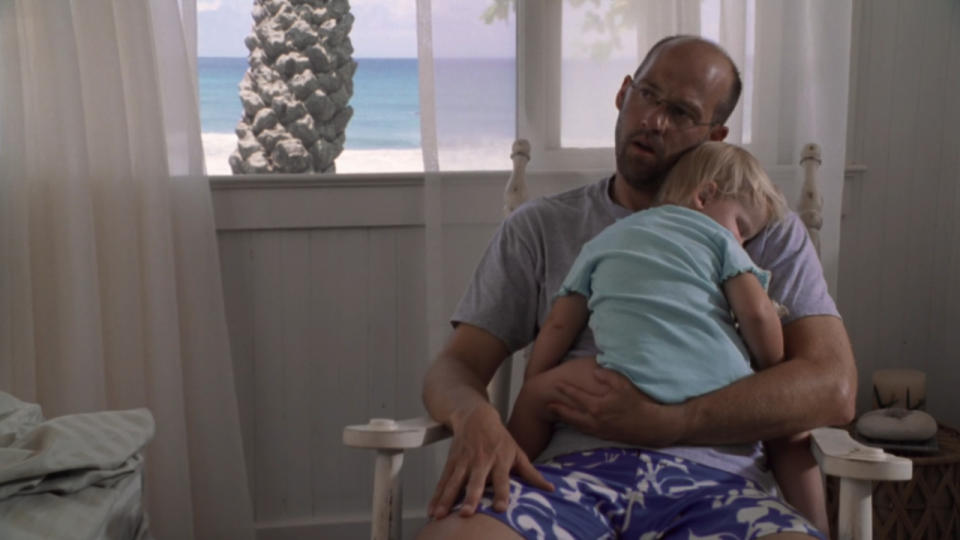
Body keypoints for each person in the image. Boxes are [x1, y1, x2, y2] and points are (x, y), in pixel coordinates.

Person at [418, 35, 855, 540]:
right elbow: (456, 365)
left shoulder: (759, 227)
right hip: (567, 482)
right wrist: (474, 415)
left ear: (715, 135)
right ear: (624, 93)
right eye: (647, 94)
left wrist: (672, 421)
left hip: (718, 487)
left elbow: (833, 387)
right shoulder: (542, 227)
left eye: (681, 112)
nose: (653, 119)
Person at [506, 141, 829, 534]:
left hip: (613, 379)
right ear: (705, 195)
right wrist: (770, 363)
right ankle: (818, 528)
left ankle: (511, 483)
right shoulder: (718, 239)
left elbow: (559, 324)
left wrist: (535, 384)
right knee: (791, 430)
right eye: (742, 227)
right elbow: (758, 314)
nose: (742, 239)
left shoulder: (607, 237)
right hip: (709, 385)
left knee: (538, 404)